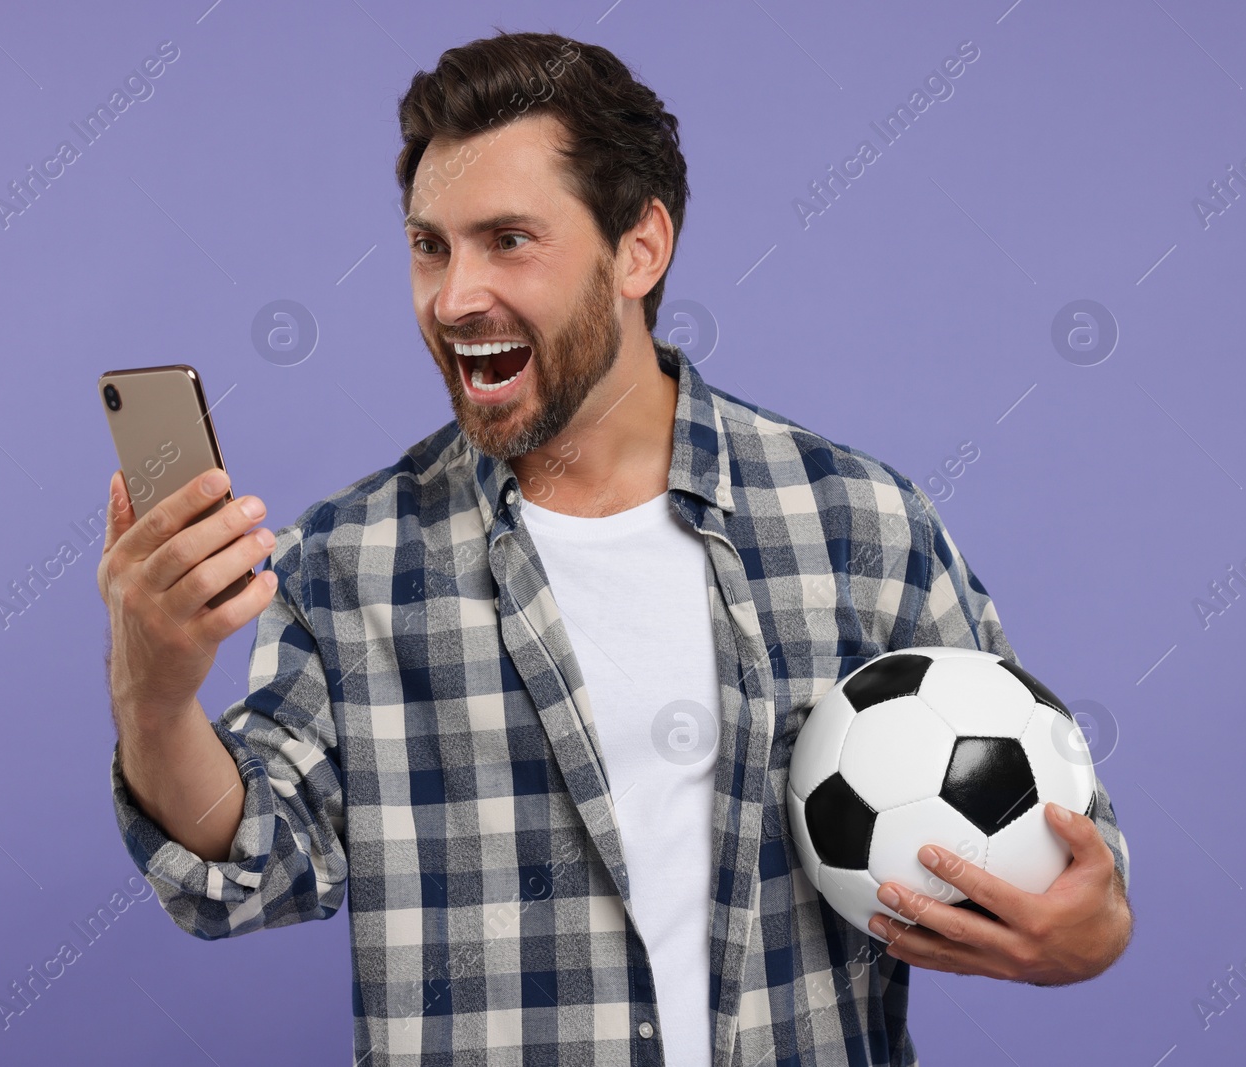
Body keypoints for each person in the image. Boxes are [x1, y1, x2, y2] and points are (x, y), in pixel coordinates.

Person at [97, 30, 1131, 1067]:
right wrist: (153, 689)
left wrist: (1092, 929)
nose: (454, 296)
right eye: (430, 245)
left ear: (639, 248)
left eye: (507, 239)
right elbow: (245, 871)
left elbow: (1067, 846)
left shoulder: (858, 524)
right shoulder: (347, 558)